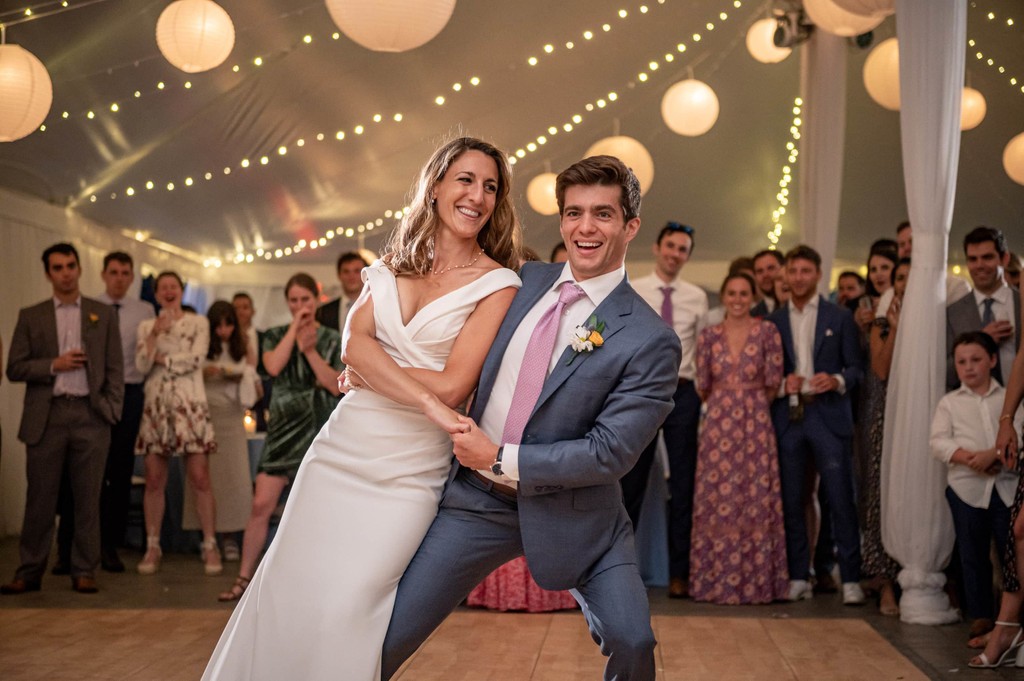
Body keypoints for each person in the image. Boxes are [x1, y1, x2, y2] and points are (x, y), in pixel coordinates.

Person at [202, 136, 522, 680]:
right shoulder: (391, 264)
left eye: (490, 186)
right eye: (465, 180)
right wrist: (395, 379)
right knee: (287, 589)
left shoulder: (498, 282)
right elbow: (353, 348)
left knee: (354, 603)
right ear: (437, 185)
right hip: (338, 455)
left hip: (407, 472)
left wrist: (378, 373)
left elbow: (453, 386)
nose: (478, 195)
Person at [380, 155, 681, 681]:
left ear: (630, 226)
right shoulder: (516, 281)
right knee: (390, 633)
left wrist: (498, 456)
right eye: (574, 213)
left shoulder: (650, 339)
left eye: (604, 215)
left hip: (581, 511)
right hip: (477, 501)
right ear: (562, 220)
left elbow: (609, 453)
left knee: (634, 640)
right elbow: (442, 340)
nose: (585, 228)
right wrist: (374, 367)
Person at [1, 243, 123, 595]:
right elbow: (14, 367)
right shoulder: (31, 315)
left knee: (89, 497)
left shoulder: (101, 313)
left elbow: (115, 366)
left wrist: (110, 408)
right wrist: (54, 364)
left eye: (71, 265)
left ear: (79, 269)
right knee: (39, 498)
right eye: (58, 267)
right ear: (48, 273)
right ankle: (29, 570)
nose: (66, 272)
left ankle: (84, 569)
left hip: (90, 414)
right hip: (47, 415)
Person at [215, 273, 344, 601]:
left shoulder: (332, 338)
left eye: (306, 300)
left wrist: (311, 352)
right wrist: (293, 332)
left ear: (316, 300)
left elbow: (334, 384)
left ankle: (319, 585)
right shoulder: (273, 335)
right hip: (284, 426)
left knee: (320, 508)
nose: (301, 306)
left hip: (318, 425)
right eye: (294, 301)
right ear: (288, 303)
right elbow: (272, 367)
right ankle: (244, 578)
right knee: (261, 503)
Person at [767, 244, 865, 605]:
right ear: (786, 275)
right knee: (792, 500)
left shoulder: (838, 317)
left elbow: (856, 369)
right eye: (793, 271)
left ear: (818, 275)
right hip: (790, 418)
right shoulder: (773, 321)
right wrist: (781, 385)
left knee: (841, 497)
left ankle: (851, 578)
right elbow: (766, 375)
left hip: (828, 414)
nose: (798, 278)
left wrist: (835, 379)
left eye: (805, 272)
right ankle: (797, 575)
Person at [53, 251, 154, 575]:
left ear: (132, 276)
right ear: (103, 274)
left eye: (126, 272)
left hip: (130, 393)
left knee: (120, 472)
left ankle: (111, 545)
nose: (120, 278)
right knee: (78, 473)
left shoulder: (145, 310)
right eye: (114, 272)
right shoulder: (89, 306)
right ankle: (69, 548)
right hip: (93, 393)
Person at [689, 272, 787, 604]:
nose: (738, 298)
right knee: (718, 500)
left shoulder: (767, 332)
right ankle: (715, 583)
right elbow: (703, 385)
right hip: (718, 427)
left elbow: (774, 381)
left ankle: (757, 582)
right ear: (724, 296)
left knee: (755, 497)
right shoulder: (708, 337)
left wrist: (747, 402)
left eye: (744, 293)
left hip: (756, 425)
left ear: (752, 296)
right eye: (731, 292)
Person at [623, 220, 706, 599]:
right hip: (641, 395)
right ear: (657, 247)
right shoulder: (634, 289)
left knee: (683, 485)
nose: (675, 254)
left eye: (683, 249)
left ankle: (679, 574)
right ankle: (620, 572)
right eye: (670, 246)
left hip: (684, 396)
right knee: (630, 483)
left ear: (687, 256)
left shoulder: (697, 297)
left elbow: (702, 351)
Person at [932, 331, 1022, 647]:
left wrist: (993, 455)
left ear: (993, 360)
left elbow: (1018, 435)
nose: (969, 368)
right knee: (972, 553)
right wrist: (970, 458)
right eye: (962, 362)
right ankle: (981, 615)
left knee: (1010, 550)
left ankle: (1011, 618)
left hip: (1006, 487)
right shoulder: (949, 403)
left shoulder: (1007, 400)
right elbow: (939, 441)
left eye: (976, 360)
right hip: (966, 488)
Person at [134, 271, 219, 576]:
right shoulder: (146, 326)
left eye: (174, 287)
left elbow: (197, 359)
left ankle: (210, 544)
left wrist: (163, 359)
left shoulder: (199, 323)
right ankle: (152, 544)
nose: (169, 291)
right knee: (154, 479)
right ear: (156, 294)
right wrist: (155, 333)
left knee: (200, 477)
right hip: (157, 406)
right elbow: (141, 364)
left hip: (190, 405)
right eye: (163, 288)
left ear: (181, 291)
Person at [182, 302, 259, 562]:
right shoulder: (203, 345)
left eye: (229, 324)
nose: (224, 330)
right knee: (208, 480)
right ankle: (208, 537)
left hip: (233, 415)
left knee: (234, 479)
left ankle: (230, 538)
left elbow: (252, 371)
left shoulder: (244, 343)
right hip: (208, 415)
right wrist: (207, 372)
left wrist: (237, 374)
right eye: (220, 325)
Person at [860, 257, 910, 616]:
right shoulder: (881, 320)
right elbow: (880, 368)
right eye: (901, 278)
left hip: (921, 410)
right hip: (884, 411)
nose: (907, 283)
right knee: (880, 491)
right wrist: (895, 326)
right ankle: (885, 583)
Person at [946, 226, 1019, 391]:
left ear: (1004, 259)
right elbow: (946, 373)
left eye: (987, 257)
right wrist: (982, 340)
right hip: (973, 410)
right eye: (973, 259)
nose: (980, 265)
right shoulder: (953, 313)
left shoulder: (1020, 303)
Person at [316, 251, 370, 336]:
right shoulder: (323, 312)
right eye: (346, 271)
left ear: (365, 275)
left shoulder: (376, 309)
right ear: (339, 275)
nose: (351, 277)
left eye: (356, 271)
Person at [751, 249, 785, 317]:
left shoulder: (799, 306)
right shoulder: (752, 315)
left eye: (771, 268)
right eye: (760, 271)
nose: (765, 275)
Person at [231, 293, 259, 366]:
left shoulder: (264, 338)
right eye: (236, 308)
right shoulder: (226, 338)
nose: (240, 312)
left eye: (245, 307)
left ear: (253, 311)